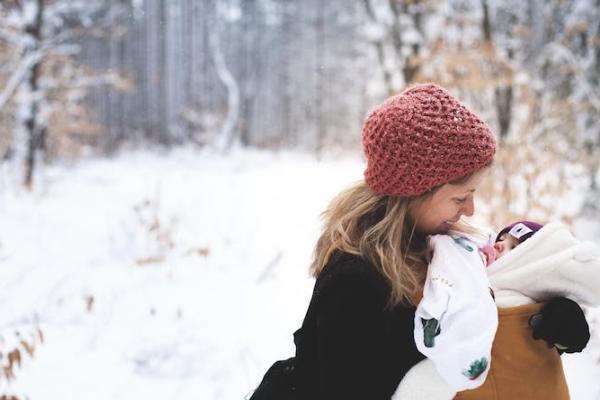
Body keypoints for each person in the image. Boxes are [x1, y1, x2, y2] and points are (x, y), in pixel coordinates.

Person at [249, 83, 590, 400]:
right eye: (460, 198)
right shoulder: (355, 283)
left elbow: (495, 303)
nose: (470, 211)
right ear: (414, 192)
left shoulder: (446, 246)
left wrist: (554, 319)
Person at [414, 220, 599, 395]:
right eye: (501, 239)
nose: (499, 245)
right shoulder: (461, 276)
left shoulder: (539, 300)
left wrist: (567, 325)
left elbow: (562, 339)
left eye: (514, 247)